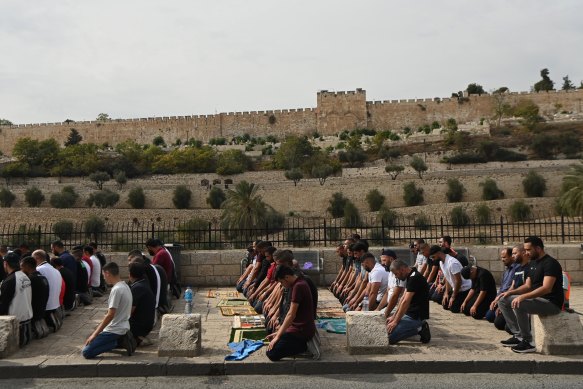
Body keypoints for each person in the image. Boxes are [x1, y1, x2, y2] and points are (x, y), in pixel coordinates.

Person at [498, 236, 563, 353]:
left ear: (538, 248)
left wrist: (523, 296)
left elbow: (546, 288)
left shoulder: (550, 263)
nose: (526, 253)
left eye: (528, 250)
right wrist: (510, 292)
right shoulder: (533, 263)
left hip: (551, 303)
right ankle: (518, 336)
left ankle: (528, 342)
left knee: (520, 302)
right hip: (537, 300)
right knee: (503, 300)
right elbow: (528, 286)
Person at [82, 262, 136, 359]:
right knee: (89, 338)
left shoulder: (116, 290)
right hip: (123, 326)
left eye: (103, 275)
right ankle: (117, 341)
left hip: (115, 329)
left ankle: (117, 342)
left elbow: (110, 315)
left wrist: (95, 334)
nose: (104, 278)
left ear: (107, 273)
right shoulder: (125, 286)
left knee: (86, 352)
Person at [266, 265, 316, 361]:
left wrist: (278, 336)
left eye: (281, 282)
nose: (282, 284)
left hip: (302, 330)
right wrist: (278, 333)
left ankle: (304, 347)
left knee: (271, 353)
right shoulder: (297, 283)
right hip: (296, 328)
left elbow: (291, 314)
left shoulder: (299, 286)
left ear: (287, 277)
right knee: (273, 339)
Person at [386, 259, 430, 345]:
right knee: (387, 329)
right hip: (409, 313)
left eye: (396, 274)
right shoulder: (410, 276)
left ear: (402, 269)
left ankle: (420, 328)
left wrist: (395, 322)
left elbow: (406, 301)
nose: (395, 276)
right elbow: (403, 299)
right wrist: (394, 317)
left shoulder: (415, 277)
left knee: (388, 338)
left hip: (416, 316)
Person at [0, 252, 33, 346]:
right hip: (26, 321)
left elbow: (3, 305)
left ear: (5, 263)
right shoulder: (24, 276)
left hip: (17, 324)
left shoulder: (10, 280)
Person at [429, 245, 472, 313]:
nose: (433, 259)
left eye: (433, 257)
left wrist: (453, 296)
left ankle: (468, 299)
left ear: (438, 253)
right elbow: (447, 277)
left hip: (464, 288)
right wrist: (446, 293)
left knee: (454, 308)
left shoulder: (452, 263)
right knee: (445, 305)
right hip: (456, 288)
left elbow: (459, 281)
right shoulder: (441, 262)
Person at [485, 248, 518, 327]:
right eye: (501, 257)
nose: (502, 260)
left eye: (504, 257)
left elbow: (512, 288)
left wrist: (500, 303)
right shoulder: (506, 271)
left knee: (499, 323)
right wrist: (495, 300)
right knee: (489, 316)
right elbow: (502, 288)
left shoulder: (516, 269)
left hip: (508, 298)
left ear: (511, 256)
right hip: (501, 297)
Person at [20, 256, 50, 338]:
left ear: (27, 266)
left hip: (34, 313)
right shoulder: (42, 277)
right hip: (42, 311)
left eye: (21, 267)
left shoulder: (30, 279)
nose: (21, 270)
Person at [32, 249, 63, 329]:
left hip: (46, 307)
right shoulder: (55, 270)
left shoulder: (39, 269)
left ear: (36, 259)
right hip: (55, 304)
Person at [128, 262, 156, 347]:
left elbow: (129, 312)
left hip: (140, 326)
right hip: (147, 324)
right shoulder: (143, 283)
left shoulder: (137, 288)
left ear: (130, 274)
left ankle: (137, 339)